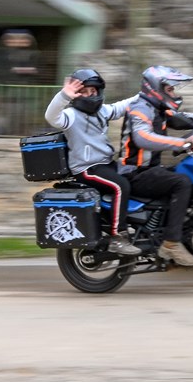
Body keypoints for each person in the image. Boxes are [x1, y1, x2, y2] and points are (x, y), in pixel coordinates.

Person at [119, 65, 193, 267]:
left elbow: (182, 119)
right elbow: (142, 137)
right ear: (156, 88)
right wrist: (183, 143)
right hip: (135, 173)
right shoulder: (140, 108)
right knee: (182, 182)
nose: (173, 93)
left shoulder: (157, 108)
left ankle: (183, 233)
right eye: (170, 89)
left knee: (191, 175)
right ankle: (171, 243)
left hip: (151, 170)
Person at [45, 68, 141, 256]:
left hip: (105, 164)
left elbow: (122, 106)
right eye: (84, 91)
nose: (90, 95)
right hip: (86, 169)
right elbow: (51, 117)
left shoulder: (102, 111)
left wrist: (146, 94)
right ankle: (118, 237)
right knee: (120, 186)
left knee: (135, 173)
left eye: (93, 90)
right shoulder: (71, 115)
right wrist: (64, 95)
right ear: (76, 94)